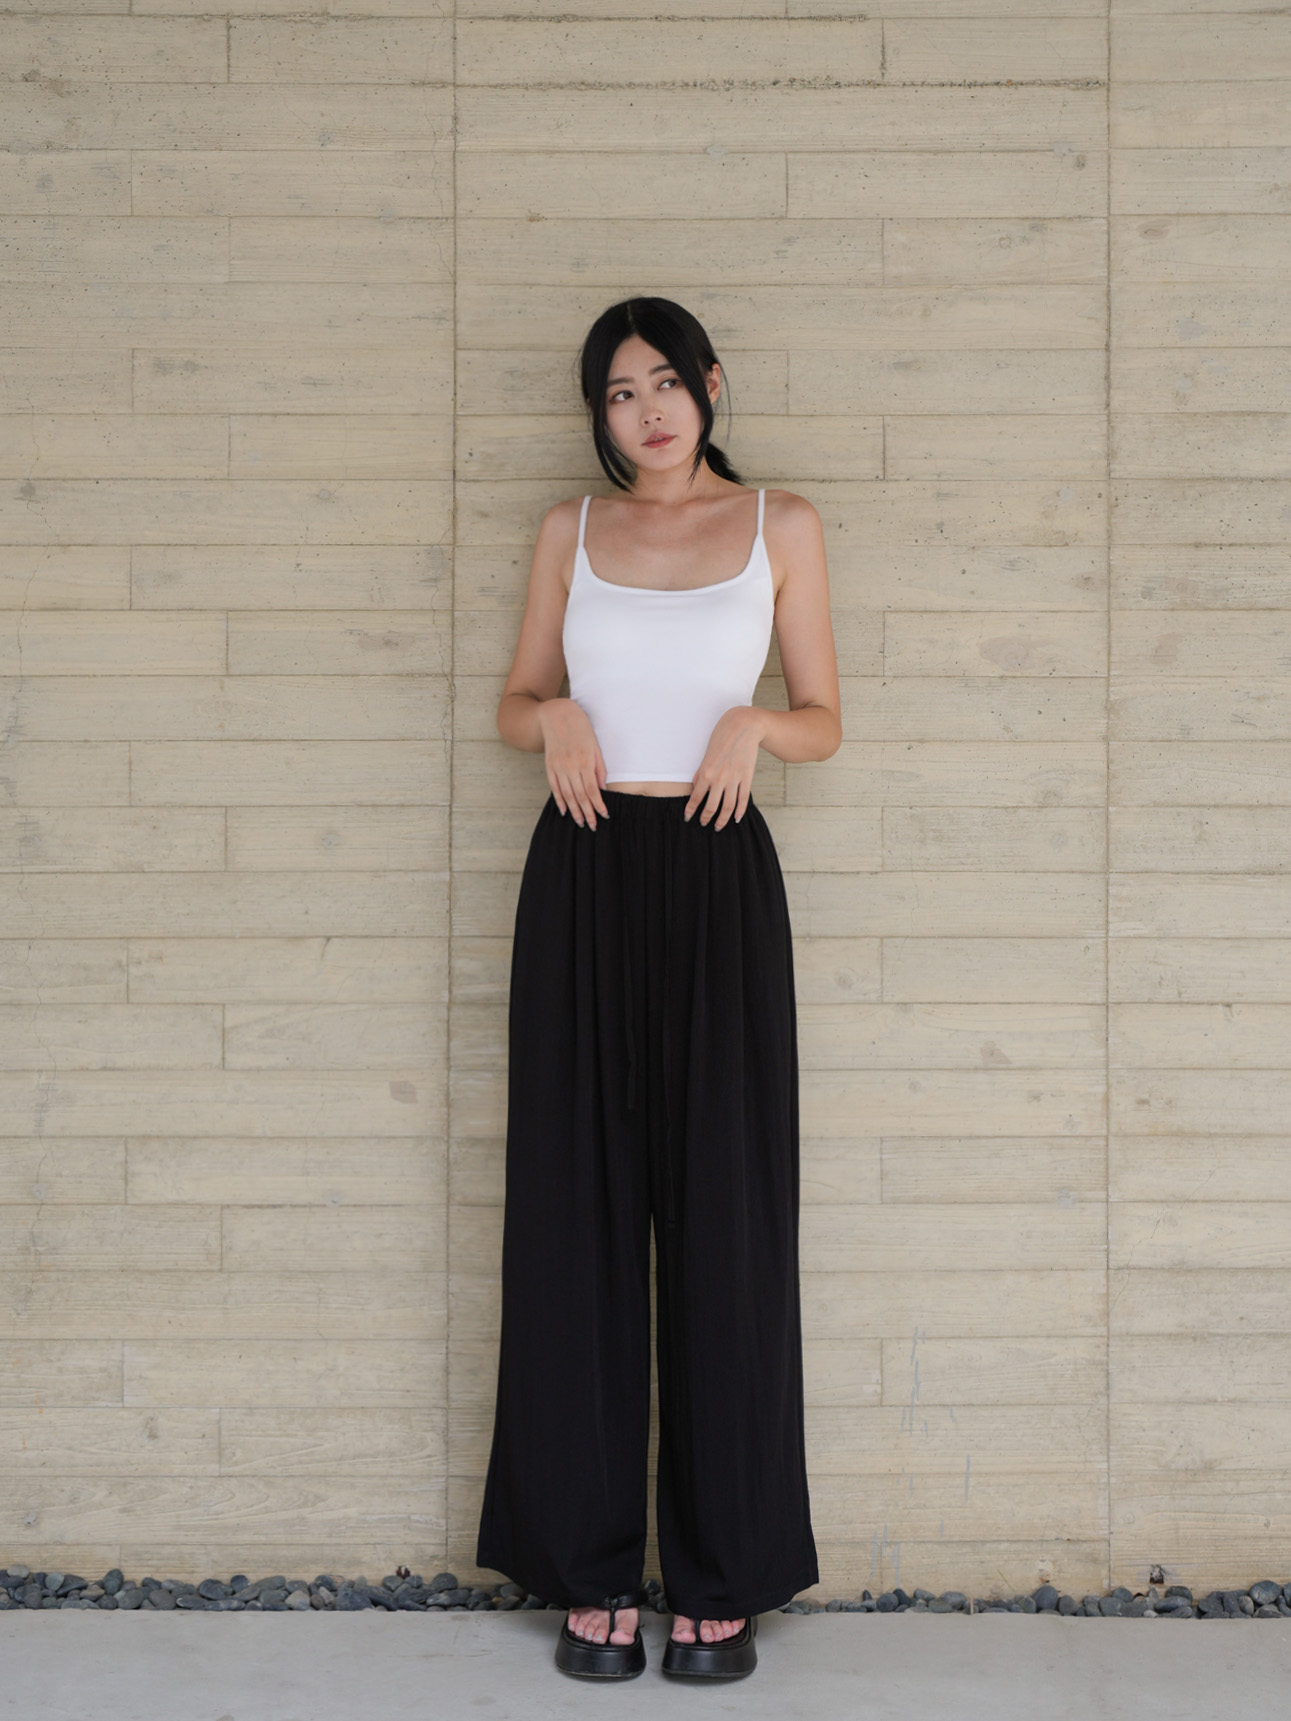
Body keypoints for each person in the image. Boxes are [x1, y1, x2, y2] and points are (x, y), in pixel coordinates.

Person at [474, 296, 842, 1681]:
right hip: (582, 871)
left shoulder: (781, 526)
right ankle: (585, 1569)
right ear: (601, 415)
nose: (649, 410)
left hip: (716, 873)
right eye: (621, 392)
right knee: (572, 1210)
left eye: (667, 382)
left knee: (723, 1221)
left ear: (711, 384)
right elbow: (512, 701)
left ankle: (720, 1572)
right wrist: (555, 715)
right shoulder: (568, 532)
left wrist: (756, 725)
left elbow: (826, 719)